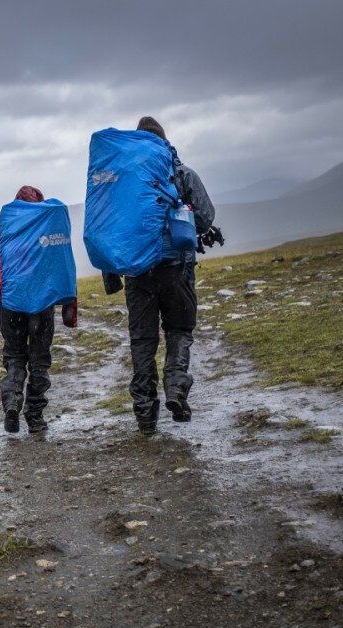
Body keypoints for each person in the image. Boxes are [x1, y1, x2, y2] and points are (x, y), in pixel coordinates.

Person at [107, 116, 216, 436]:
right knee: (180, 330)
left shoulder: (123, 180)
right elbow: (206, 218)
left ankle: (144, 413)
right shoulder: (182, 174)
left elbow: (110, 228)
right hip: (176, 269)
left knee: (142, 341)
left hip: (138, 273)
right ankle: (177, 388)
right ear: (164, 142)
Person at [0, 186, 77, 434]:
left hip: (11, 305)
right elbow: (62, 264)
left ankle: (12, 404)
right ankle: (35, 416)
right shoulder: (47, 225)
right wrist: (69, 301)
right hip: (41, 305)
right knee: (39, 360)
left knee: (14, 357)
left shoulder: (8, 227)